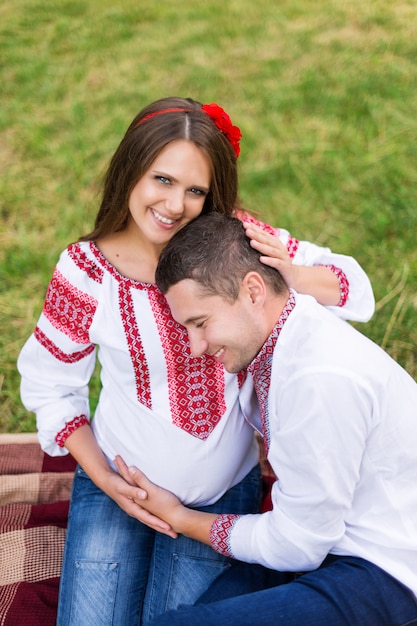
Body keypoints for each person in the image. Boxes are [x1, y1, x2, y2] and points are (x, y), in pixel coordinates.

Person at [17, 97, 375, 626]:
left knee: (184, 621)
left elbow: (352, 287)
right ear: (130, 172)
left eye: (195, 190)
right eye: (161, 179)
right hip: (118, 480)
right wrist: (105, 479)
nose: (175, 204)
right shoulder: (86, 269)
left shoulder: (232, 241)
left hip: (220, 494)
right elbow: (51, 385)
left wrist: (286, 273)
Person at [115, 212, 417, 626]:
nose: (195, 347)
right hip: (326, 540)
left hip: (387, 567)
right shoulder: (281, 336)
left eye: (200, 323)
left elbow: (298, 546)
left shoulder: (318, 378)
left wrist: (182, 518)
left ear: (253, 290)